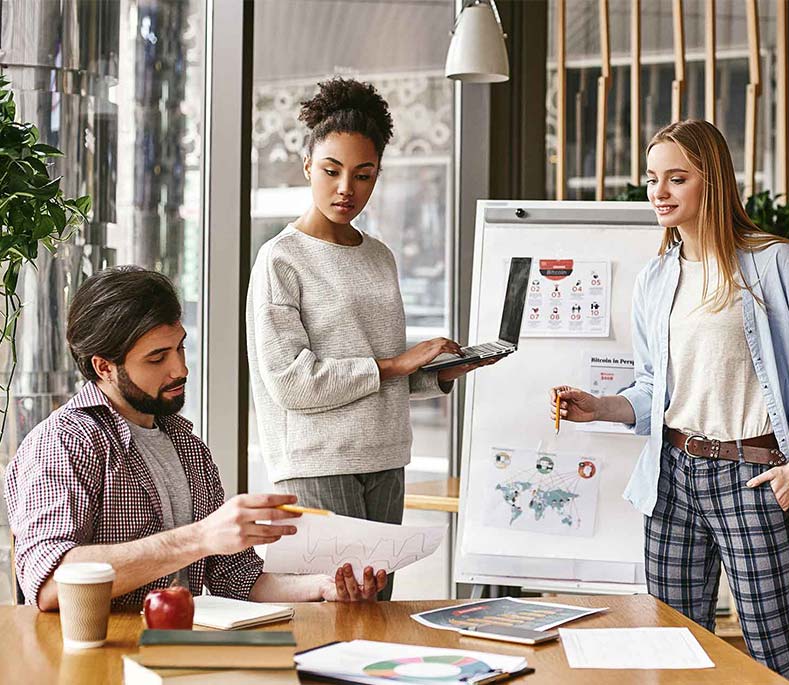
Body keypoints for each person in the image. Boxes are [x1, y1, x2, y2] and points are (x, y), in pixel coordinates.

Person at [551, 119, 789, 685]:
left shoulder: (776, 263)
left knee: (775, 658)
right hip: (672, 476)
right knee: (673, 652)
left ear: (713, 180)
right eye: (652, 178)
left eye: (676, 178)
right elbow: (652, 387)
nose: (658, 192)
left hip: (754, 476)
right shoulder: (656, 278)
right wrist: (600, 407)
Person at [5, 266, 386, 611]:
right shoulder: (64, 442)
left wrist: (322, 586)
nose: (180, 369)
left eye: (180, 347)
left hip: (179, 646)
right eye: (157, 358)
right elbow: (50, 583)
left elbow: (235, 578)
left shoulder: (187, 445)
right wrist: (200, 537)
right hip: (101, 652)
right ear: (104, 366)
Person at [246, 78, 488, 599]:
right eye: (331, 171)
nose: (346, 189)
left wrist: (437, 374)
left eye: (363, 175)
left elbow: (381, 372)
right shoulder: (280, 260)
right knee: (333, 610)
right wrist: (396, 365)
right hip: (316, 462)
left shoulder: (379, 256)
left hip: (385, 456)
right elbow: (291, 381)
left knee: (376, 609)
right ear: (307, 165)